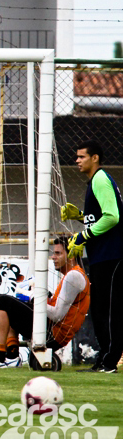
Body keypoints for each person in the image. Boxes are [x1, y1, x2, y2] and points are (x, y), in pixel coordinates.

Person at [0, 237, 90, 369]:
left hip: (53, 334)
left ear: (71, 256)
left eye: (58, 253)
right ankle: (11, 357)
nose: (53, 257)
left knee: (1, 302)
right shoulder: (73, 275)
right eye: (53, 253)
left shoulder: (73, 276)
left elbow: (57, 315)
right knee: (10, 305)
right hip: (52, 330)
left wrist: (33, 297)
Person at [62, 140, 123, 373]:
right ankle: (104, 361)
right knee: (99, 309)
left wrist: (82, 235)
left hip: (112, 255)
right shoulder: (95, 182)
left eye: (82, 156)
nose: (77, 160)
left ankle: (109, 362)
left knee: (107, 310)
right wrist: (80, 216)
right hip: (102, 256)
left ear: (95, 158)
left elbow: (112, 216)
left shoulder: (100, 179)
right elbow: (101, 218)